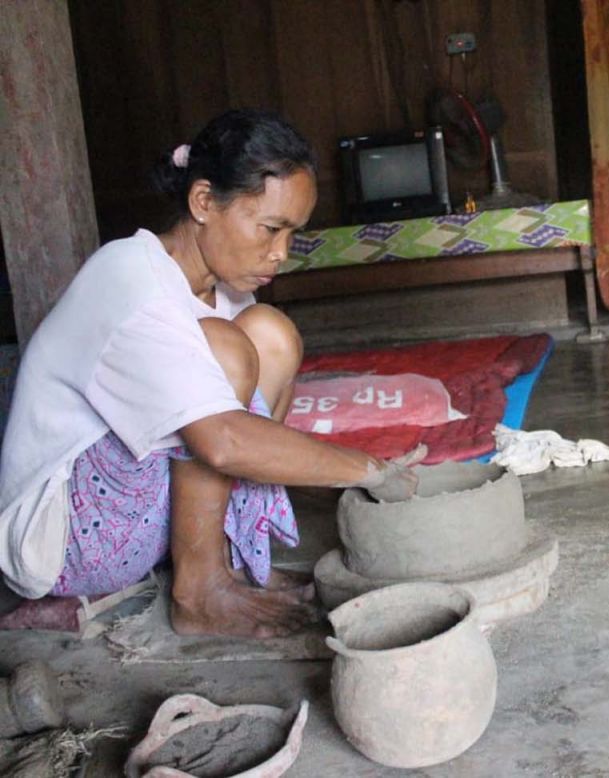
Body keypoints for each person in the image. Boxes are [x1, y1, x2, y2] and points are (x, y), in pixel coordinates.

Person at [0, 109, 421, 639]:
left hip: (138, 522)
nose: (281, 253)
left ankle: (226, 560)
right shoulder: (130, 277)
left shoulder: (220, 286)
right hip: (66, 540)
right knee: (224, 354)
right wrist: (369, 470)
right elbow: (222, 442)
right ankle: (199, 592)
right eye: (270, 228)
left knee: (270, 333)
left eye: (292, 233)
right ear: (203, 202)